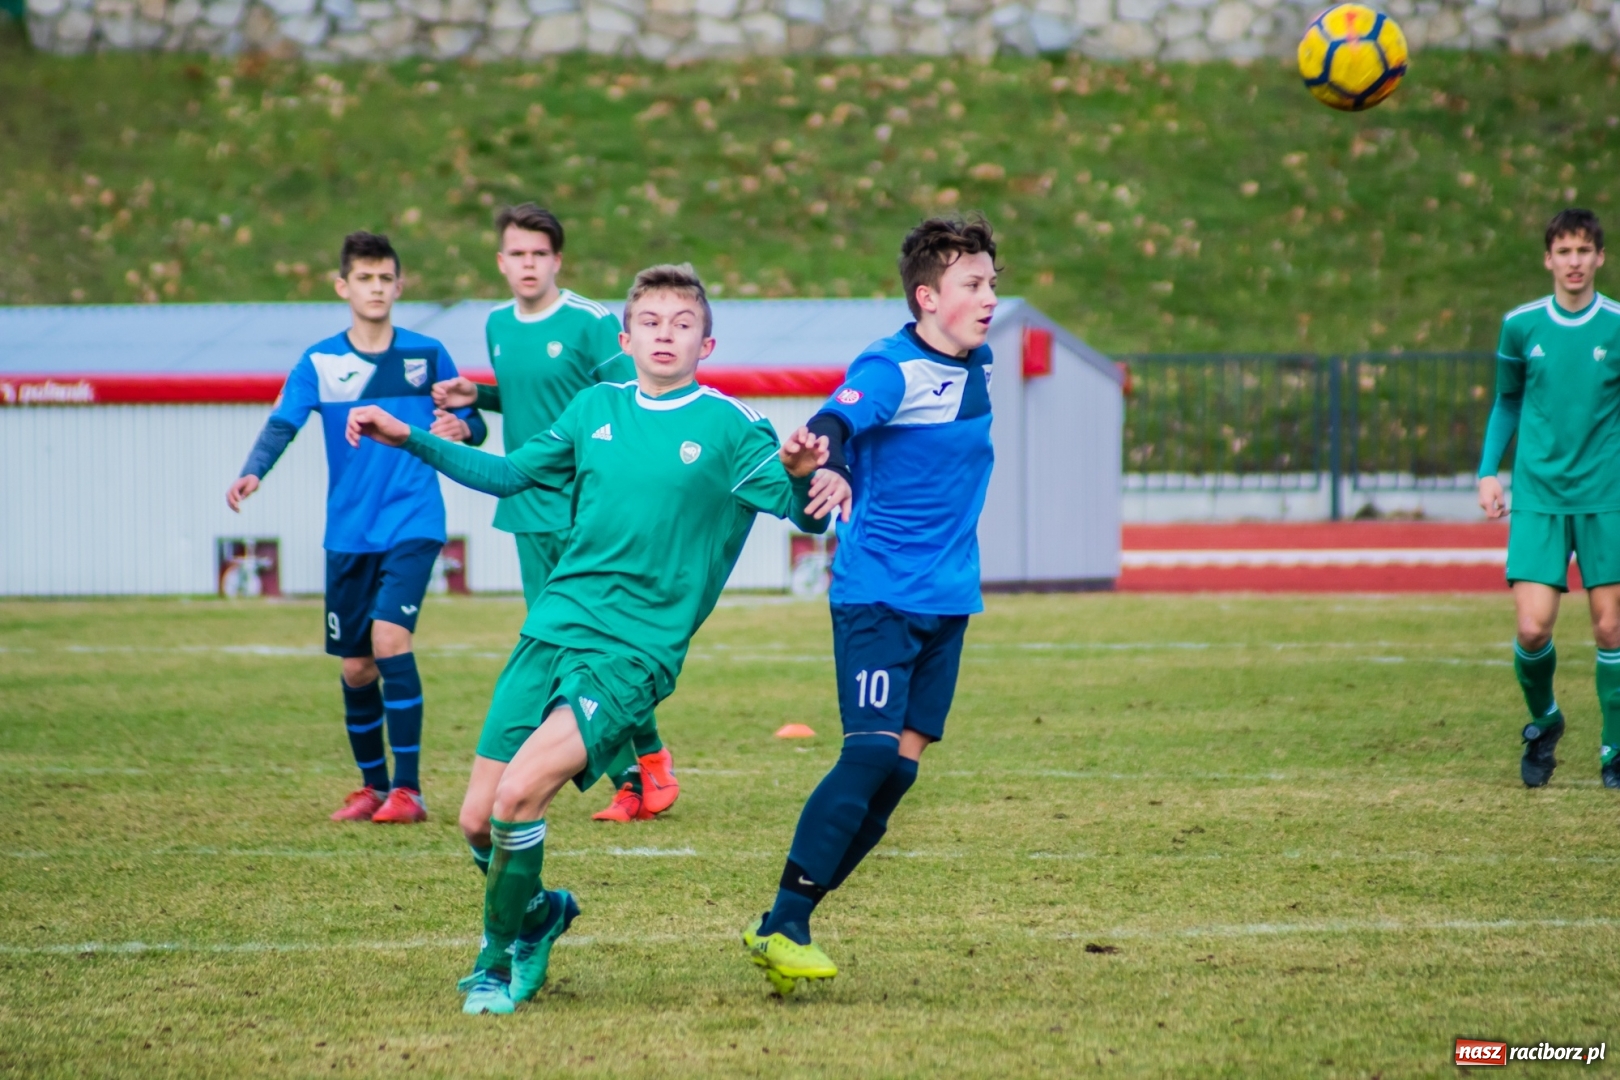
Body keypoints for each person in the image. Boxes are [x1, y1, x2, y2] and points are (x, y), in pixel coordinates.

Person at [346, 263, 851, 1014]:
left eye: (683, 324)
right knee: (477, 821)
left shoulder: (732, 427)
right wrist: (407, 435)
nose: (666, 335)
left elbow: (804, 515)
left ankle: (496, 962)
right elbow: (513, 474)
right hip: (551, 626)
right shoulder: (593, 407)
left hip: (632, 651)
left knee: (521, 794)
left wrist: (808, 474)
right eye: (651, 322)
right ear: (626, 337)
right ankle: (543, 914)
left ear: (707, 343)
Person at [744, 216, 999, 996]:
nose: (991, 297)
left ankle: (790, 918)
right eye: (973, 285)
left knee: (900, 774)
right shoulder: (893, 365)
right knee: (868, 753)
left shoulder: (976, 360)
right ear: (928, 297)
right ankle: (785, 921)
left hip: (948, 599)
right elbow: (839, 416)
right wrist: (831, 460)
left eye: (992, 281)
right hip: (879, 596)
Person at [433, 203, 680, 828]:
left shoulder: (592, 322)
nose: (528, 265)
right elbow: (526, 398)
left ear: (557, 261)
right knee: (566, 652)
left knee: (598, 647)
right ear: (501, 261)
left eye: (539, 254)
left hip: (582, 509)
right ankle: (645, 762)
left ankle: (639, 770)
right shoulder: (496, 324)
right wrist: (476, 399)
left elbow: (631, 401)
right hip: (525, 507)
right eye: (517, 254)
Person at [227, 230, 485, 824]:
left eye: (385, 277)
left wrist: (463, 430)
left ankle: (410, 792)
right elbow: (282, 422)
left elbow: (471, 421)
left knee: (390, 640)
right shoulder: (319, 361)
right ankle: (372, 786)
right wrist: (252, 473)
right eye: (363, 278)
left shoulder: (427, 355)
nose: (375, 287)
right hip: (347, 533)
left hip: (414, 522)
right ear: (344, 286)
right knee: (356, 666)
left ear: (400, 286)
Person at [1478, 208, 1620, 790]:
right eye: (1564, 251)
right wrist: (1490, 471)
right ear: (1548, 259)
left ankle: (1614, 752)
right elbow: (1507, 401)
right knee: (1534, 629)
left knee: (1611, 629)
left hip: (1606, 497)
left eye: (1584, 251)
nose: (1574, 262)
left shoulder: (1615, 324)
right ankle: (1546, 721)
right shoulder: (1521, 325)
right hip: (1538, 495)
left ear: (1600, 258)